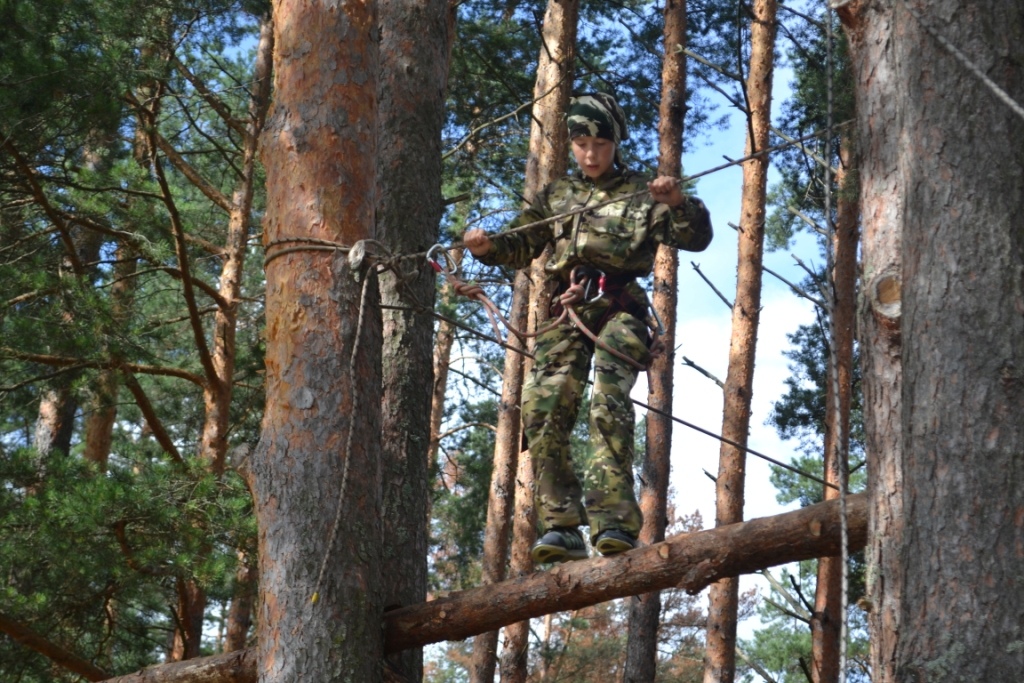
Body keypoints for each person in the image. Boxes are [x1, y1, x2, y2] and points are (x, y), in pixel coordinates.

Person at [463, 92, 712, 563]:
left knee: (608, 403)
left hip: (618, 308)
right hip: (564, 309)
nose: (591, 154)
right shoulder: (558, 195)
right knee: (542, 406)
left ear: (615, 142)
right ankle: (562, 527)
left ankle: (614, 521)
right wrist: (485, 247)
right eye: (581, 143)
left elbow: (694, 238)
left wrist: (678, 202)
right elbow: (522, 242)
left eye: (600, 143)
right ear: (572, 144)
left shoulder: (643, 192)